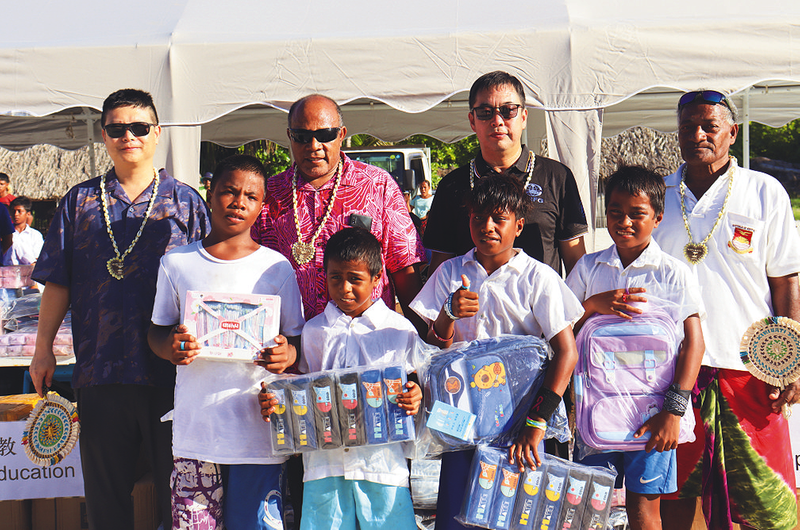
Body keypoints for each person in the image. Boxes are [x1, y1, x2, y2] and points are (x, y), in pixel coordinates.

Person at [29, 88, 211, 530]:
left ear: (157, 133)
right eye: (117, 128)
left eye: (139, 127)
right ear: (106, 136)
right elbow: (58, 281)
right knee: (106, 502)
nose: (128, 136)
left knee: (180, 498)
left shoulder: (186, 202)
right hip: (100, 370)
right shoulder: (79, 202)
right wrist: (42, 348)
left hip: (172, 373)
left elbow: (213, 282)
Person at [652, 90, 800, 530]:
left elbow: (786, 280)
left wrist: (791, 361)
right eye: (687, 128)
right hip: (675, 373)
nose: (697, 135)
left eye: (709, 126)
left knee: (763, 508)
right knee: (674, 495)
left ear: (732, 133)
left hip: (751, 373)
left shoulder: (763, 192)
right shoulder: (657, 195)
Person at [410, 175, 582, 530]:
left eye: (498, 219)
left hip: (521, 424)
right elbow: (434, 346)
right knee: (458, 516)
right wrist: (449, 312)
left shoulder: (538, 277)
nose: (486, 226)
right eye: (477, 218)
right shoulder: (451, 272)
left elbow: (566, 352)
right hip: (462, 423)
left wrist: (537, 423)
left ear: (519, 225)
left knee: (516, 516)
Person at [149, 155, 305, 529]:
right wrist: (170, 345)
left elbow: (296, 343)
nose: (238, 202)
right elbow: (156, 331)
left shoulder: (277, 268)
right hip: (197, 433)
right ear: (209, 193)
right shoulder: (177, 263)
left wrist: (286, 354)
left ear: (261, 206)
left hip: (259, 436)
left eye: (250, 197)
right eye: (229, 192)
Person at [258, 227, 428, 530]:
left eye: (355, 279)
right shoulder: (314, 332)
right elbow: (301, 392)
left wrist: (416, 395)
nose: (345, 288)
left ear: (377, 279)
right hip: (324, 468)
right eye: (336, 278)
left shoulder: (399, 331)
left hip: (382, 467)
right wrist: (276, 401)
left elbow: (421, 384)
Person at [565, 166, 705, 530]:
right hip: (595, 416)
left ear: (657, 218)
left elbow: (694, 343)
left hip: (653, 416)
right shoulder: (588, 268)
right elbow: (562, 335)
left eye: (636, 213)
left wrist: (673, 413)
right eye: (615, 212)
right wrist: (593, 305)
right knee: (589, 510)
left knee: (644, 511)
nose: (624, 221)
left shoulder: (672, 273)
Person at [251, 94, 426, 325]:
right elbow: (248, 268)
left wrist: (421, 336)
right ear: (289, 137)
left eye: (325, 135)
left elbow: (404, 268)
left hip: (367, 341)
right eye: (302, 136)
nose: (313, 146)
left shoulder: (377, 185)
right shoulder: (268, 193)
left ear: (341, 135)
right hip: (291, 345)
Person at [423, 71, 588, 276]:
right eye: (485, 112)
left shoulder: (556, 176)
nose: (497, 120)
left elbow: (576, 262)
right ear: (472, 121)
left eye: (508, 110)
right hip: (473, 305)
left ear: (524, 117)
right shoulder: (452, 185)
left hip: (540, 305)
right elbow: (439, 269)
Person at [3, 196, 43, 266]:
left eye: (19, 211)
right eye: (13, 211)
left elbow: (38, 257)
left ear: (28, 214)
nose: (16, 214)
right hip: (7, 271)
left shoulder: (35, 235)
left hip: (28, 271)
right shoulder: (5, 234)